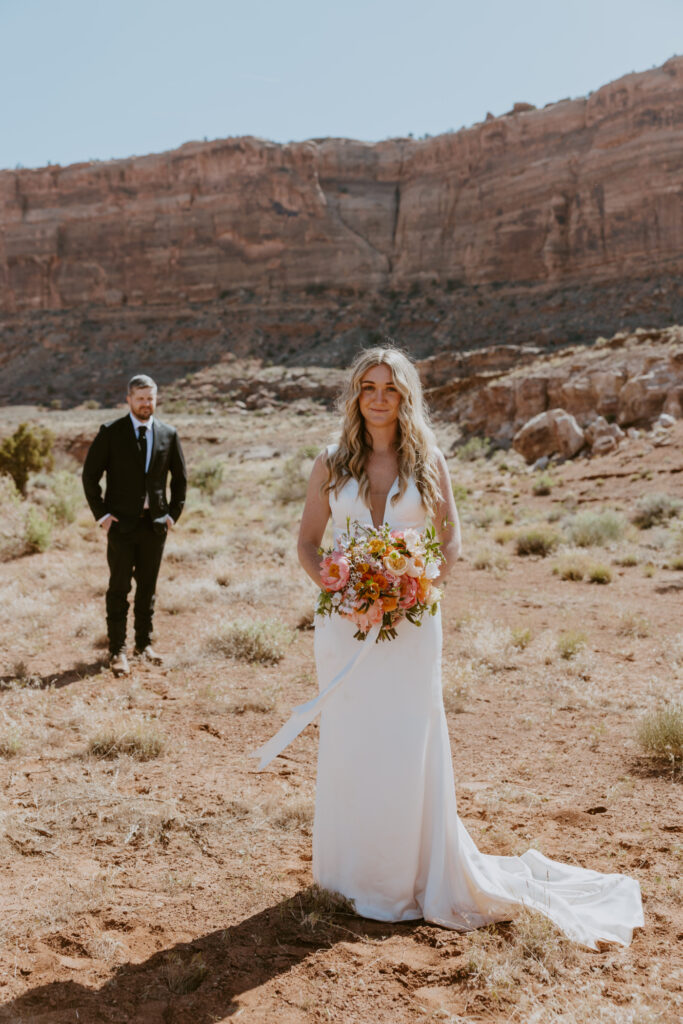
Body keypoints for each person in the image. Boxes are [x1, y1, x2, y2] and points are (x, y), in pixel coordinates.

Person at [280, 345, 643, 950]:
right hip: (344, 626)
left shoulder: (430, 463)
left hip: (413, 624)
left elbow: (449, 546)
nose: (377, 397)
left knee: (407, 740)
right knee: (353, 739)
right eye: (368, 386)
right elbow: (309, 545)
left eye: (390, 388)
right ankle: (351, 876)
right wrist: (341, 588)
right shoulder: (330, 464)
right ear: (354, 395)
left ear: (406, 397)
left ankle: (410, 878)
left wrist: (411, 588)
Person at [82, 374, 187, 677]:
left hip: (155, 526)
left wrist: (172, 516)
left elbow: (180, 479)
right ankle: (118, 650)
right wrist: (102, 516)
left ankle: (144, 644)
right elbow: (90, 476)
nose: (145, 404)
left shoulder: (169, 434)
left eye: (150, 398)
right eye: (140, 398)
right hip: (120, 526)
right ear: (128, 399)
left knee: (148, 588)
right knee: (119, 588)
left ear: (156, 399)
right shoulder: (111, 432)